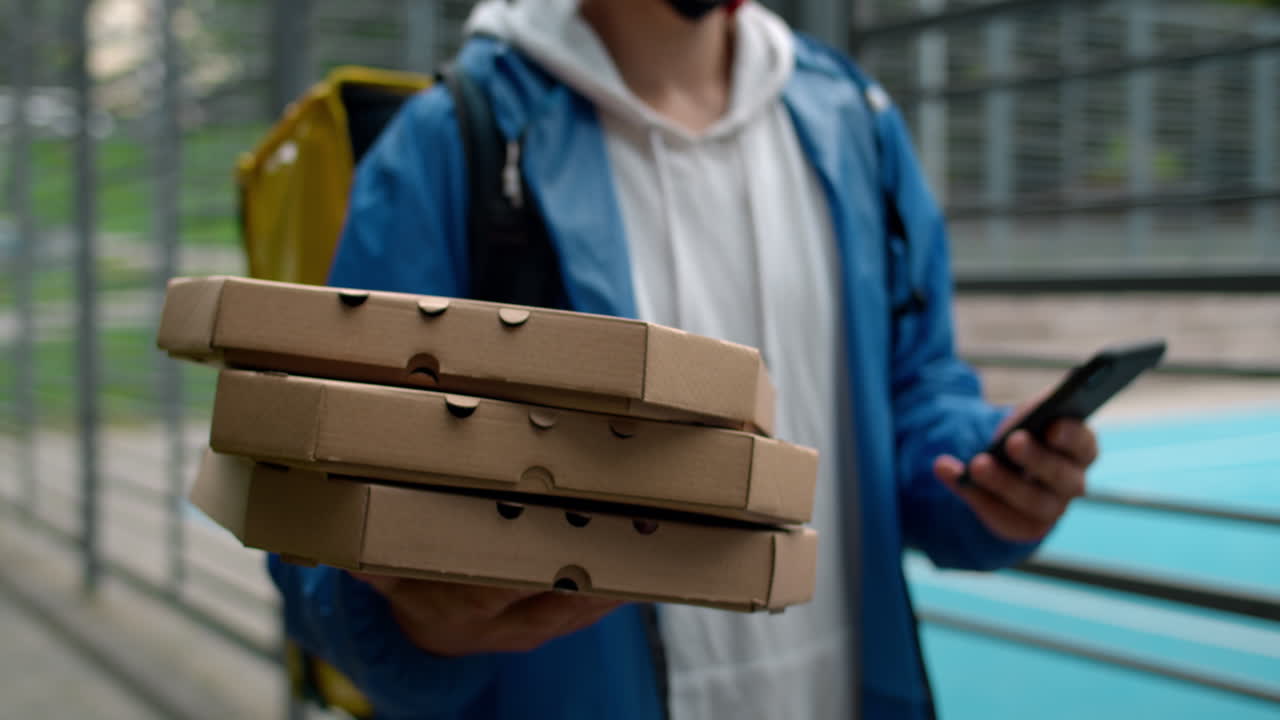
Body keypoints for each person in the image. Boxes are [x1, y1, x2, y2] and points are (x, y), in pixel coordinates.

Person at [268, 0, 1100, 717]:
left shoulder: (855, 120)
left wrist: (988, 478)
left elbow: (915, 392)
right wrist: (421, 626)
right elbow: (327, 499)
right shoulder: (453, 145)